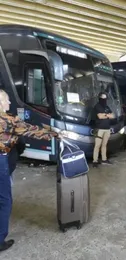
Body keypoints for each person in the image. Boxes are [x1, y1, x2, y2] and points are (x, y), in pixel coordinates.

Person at [0, 90, 58, 252]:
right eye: (6, 100)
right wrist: (56, 134)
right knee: (4, 201)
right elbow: (31, 130)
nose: (9, 103)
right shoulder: (6, 120)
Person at [92, 92, 114, 167]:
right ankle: (95, 161)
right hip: (99, 129)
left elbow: (113, 116)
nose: (104, 100)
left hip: (107, 129)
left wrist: (105, 115)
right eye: (103, 98)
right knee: (97, 145)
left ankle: (104, 159)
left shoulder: (107, 107)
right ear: (100, 98)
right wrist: (108, 115)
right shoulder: (97, 106)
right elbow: (100, 117)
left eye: (105, 98)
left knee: (104, 145)